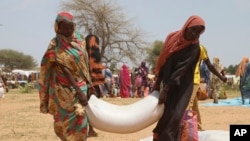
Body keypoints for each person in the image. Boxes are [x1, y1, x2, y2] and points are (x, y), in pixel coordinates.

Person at [39, 12, 92, 141]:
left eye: (70, 26)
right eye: (64, 27)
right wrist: (78, 91)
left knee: (81, 119)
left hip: (81, 85)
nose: (68, 30)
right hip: (63, 89)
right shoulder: (55, 44)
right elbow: (63, 67)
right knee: (64, 121)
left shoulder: (80, 39)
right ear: (58, 27)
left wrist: (89, 84)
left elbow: (84, 63)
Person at [152, 15, 205, 141]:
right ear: (186, 26)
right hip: (168, 82)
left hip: (183, 87)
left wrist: (166, 90)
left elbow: (180, 71)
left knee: (175, 118)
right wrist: (158, 82)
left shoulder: (194, 48)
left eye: (198, 32)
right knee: (165, 115)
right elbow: (163, 60)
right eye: (193, 30)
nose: (194, 34)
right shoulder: (172, 38)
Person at [186, 44, 227, 131]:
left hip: (194, 80)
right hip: (187, 80)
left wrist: (221, 77)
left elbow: (210, 66)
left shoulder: (200, 48)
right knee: (194, 105)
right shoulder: (184, 46)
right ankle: (199, 127)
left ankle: (186, 130)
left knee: (188, 105)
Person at [85, 34, 106, 137]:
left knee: (88, 106)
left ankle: (90, 129)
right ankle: (90, 129)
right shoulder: (93, 55)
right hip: (88, 84)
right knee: (89, 106)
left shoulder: (84, 54)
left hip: (88, 84)